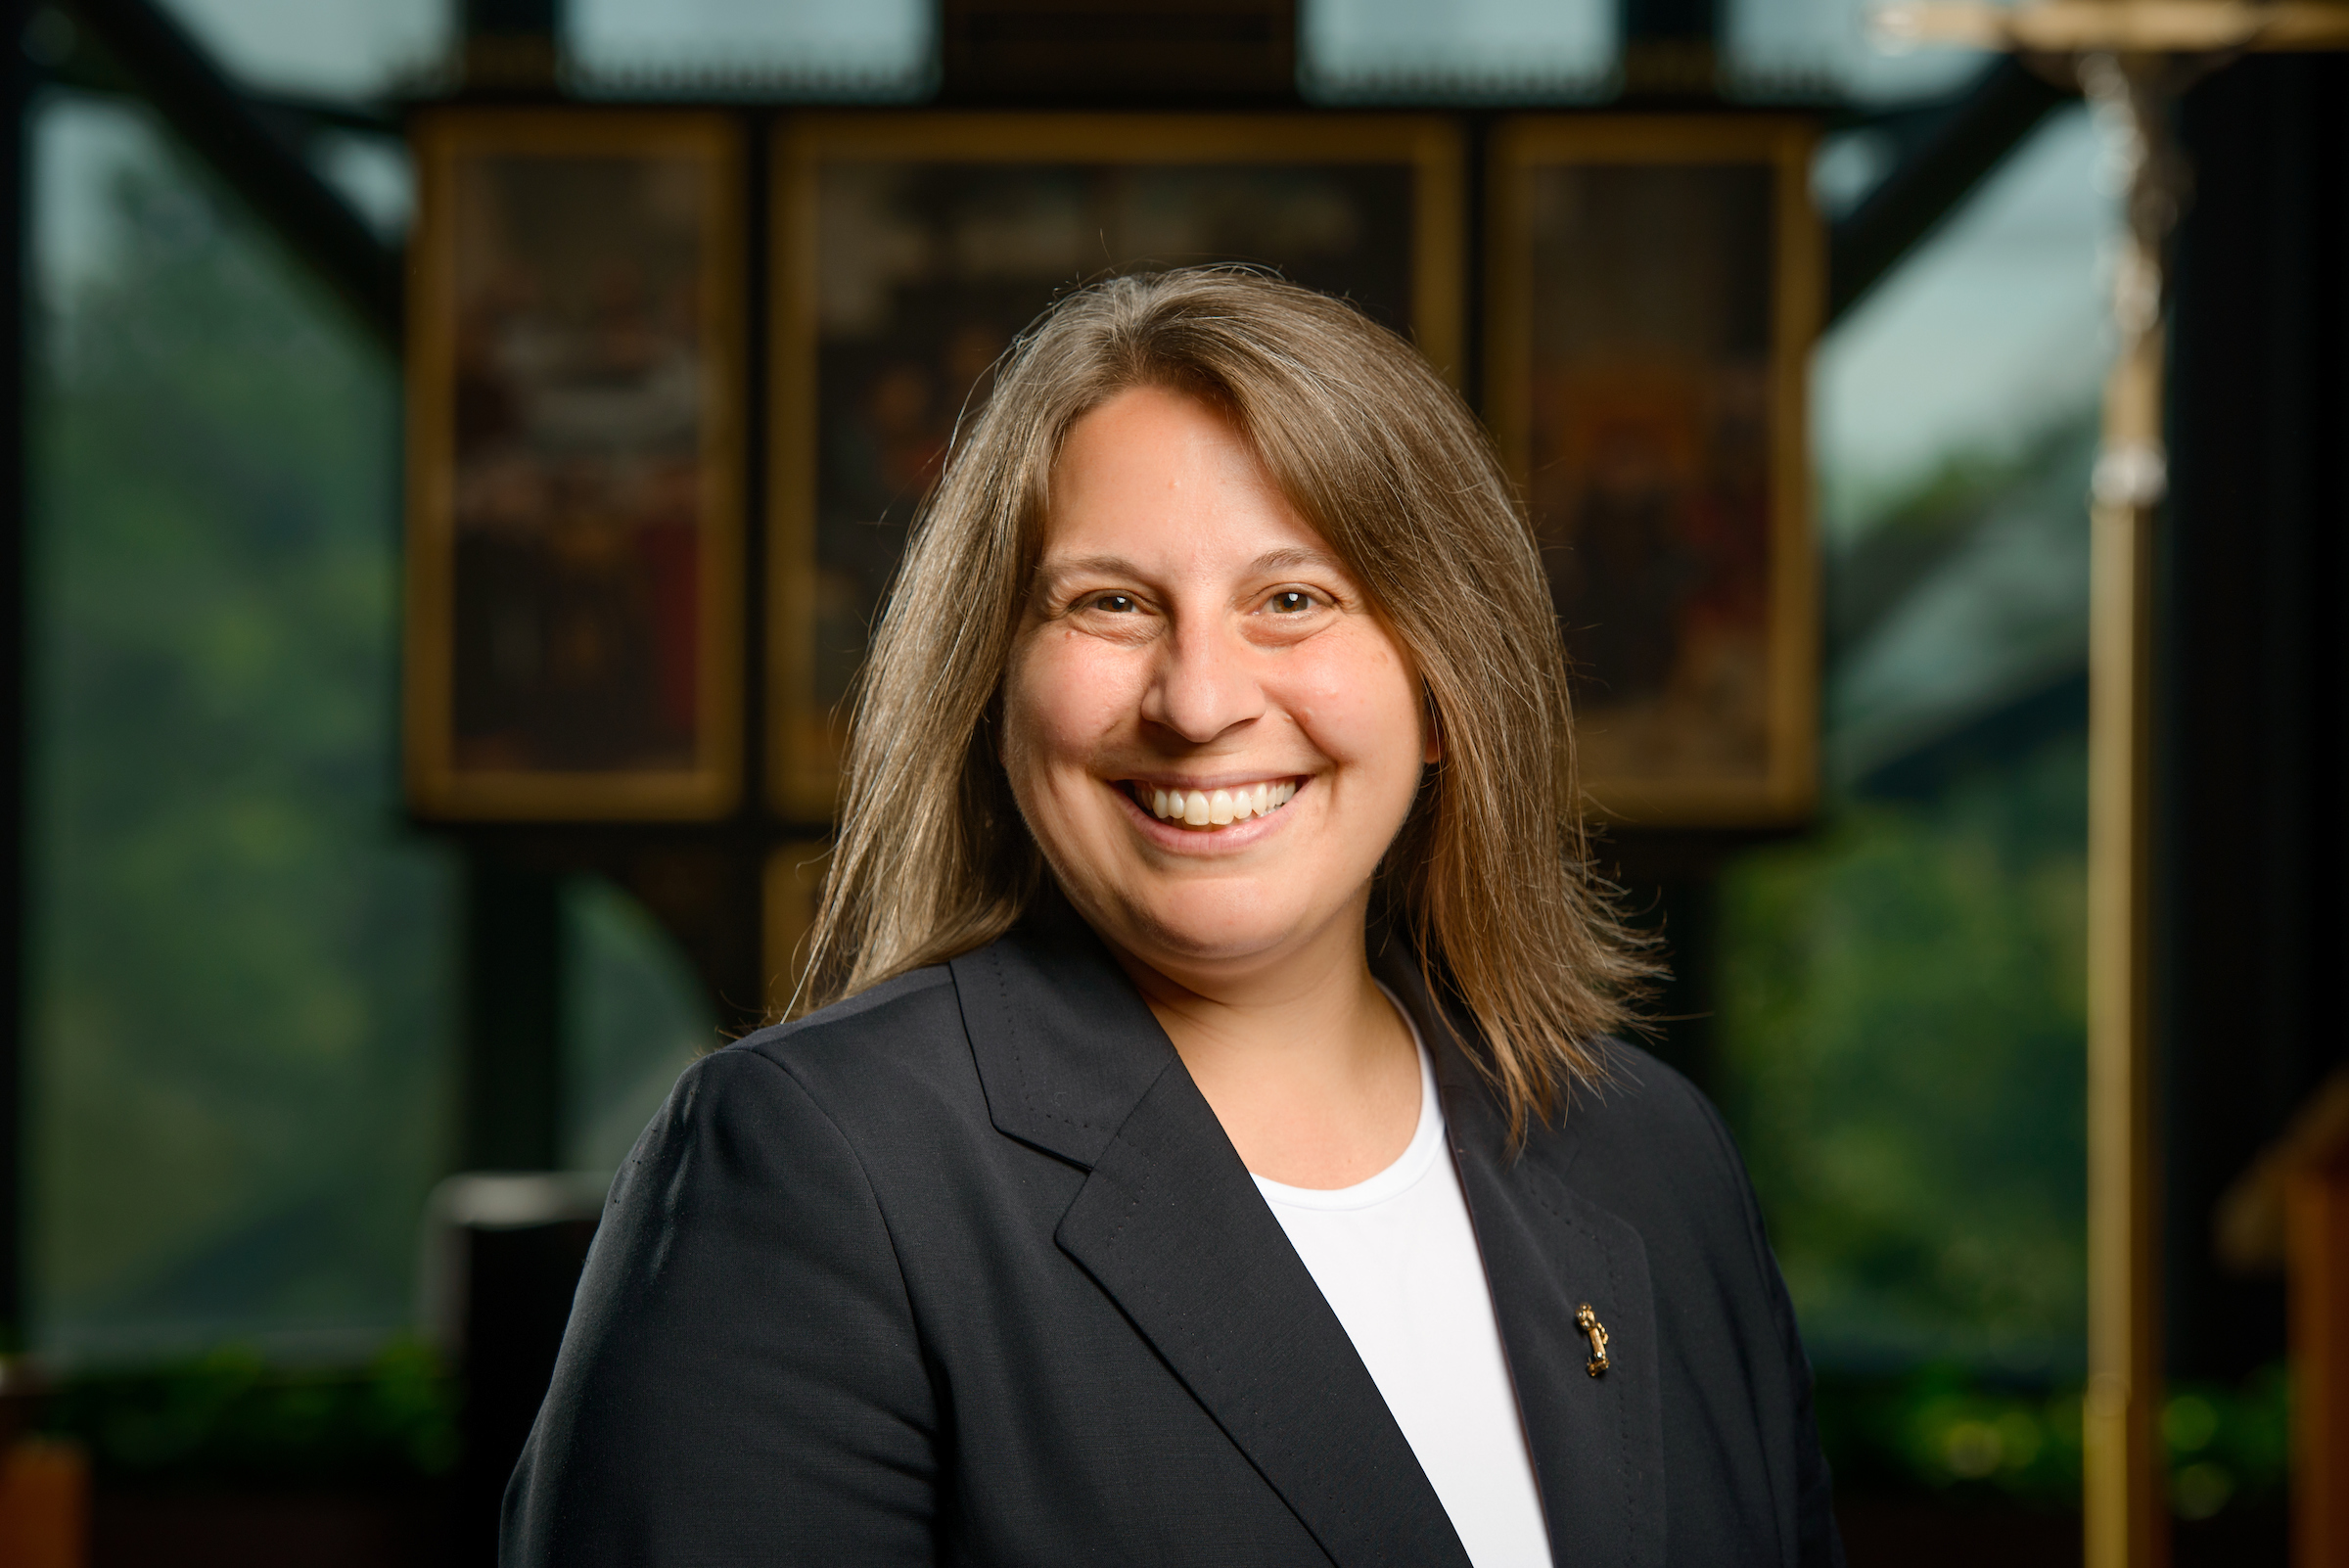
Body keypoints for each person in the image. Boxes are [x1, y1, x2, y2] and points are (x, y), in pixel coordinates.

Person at [503, 268, 1841, 1567]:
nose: (1199, 701)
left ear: (1443, 686)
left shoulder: (1651, 1158)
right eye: (1112, 603)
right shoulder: (818, 1169)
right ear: (996, 683)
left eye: (1294, 599)